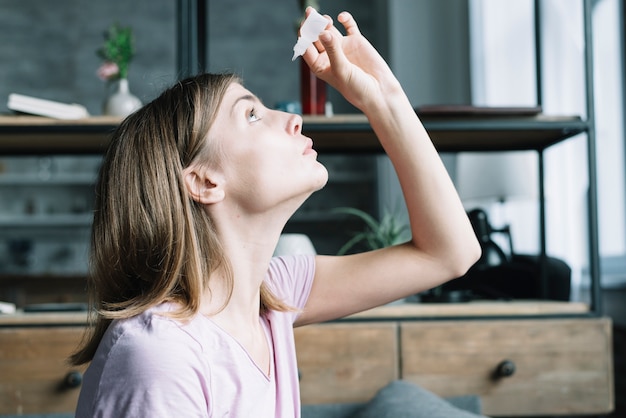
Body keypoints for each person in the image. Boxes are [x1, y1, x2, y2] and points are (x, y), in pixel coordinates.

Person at [71, 8, 481, 418]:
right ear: (204, 181)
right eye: (252, 114)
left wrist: (381, 96)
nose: (293, 120)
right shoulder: (160, 356)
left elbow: (450, 253)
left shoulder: (272, 299)